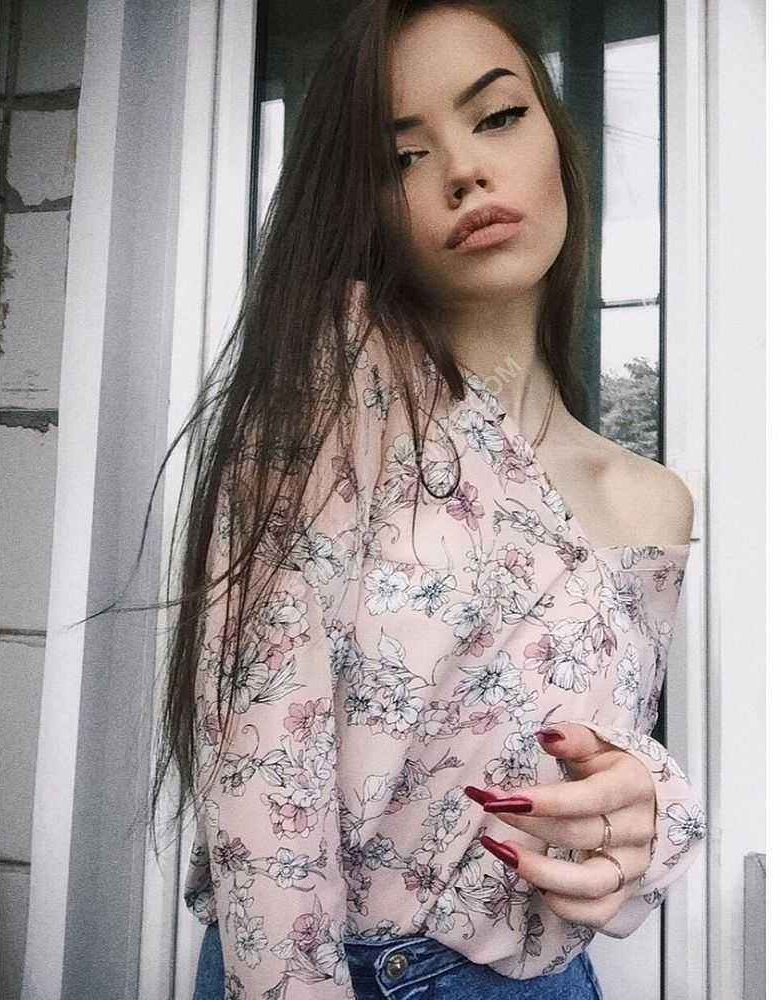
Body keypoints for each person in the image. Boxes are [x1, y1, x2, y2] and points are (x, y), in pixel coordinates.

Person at [150, 2, 708, 997]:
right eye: (402, 157)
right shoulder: (333, 390)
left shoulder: (652, 502)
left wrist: (649, 813)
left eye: (497, 117)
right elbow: (261, 779)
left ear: (555, 139)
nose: (463, 171)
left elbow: (584, 758)